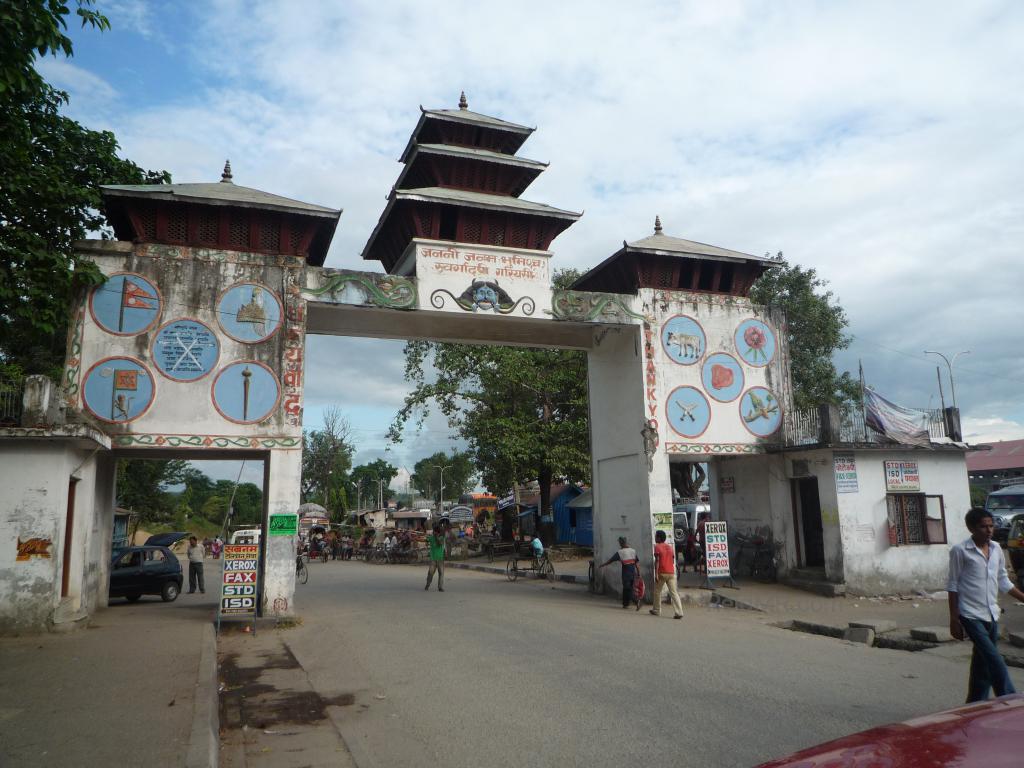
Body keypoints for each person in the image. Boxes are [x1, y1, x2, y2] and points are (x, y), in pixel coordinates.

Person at [948, 507, 1024, 702]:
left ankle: (974, 702)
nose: (989, 530)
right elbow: (953, 585)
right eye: (983, 526)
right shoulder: (960, 551)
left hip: (991, 613)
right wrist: (954, 618)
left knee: (982, 663)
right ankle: (1010, 700)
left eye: (991, 526)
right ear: (971, 528)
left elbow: (1004, 581)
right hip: (969, 614)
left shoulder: (997, 548)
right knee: (994, 658)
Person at [599, 536, 641, 609]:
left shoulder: (620, 552)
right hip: (633, 573)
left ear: (621, 543)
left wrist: (603, 565)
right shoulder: (633, 551)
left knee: (626, 589)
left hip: (626, 574)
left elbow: (611, 560)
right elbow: (636, 563)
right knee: (629, 588)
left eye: (619, 542)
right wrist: (638, 573)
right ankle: (626, 604)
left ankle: (636, 601)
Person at [650, 530, 684, 619]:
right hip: (671, 572)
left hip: (662, 572)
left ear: (659, 538)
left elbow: (657, 561)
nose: (655, 537)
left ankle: (657, 610)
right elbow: (672, 560)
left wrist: (656, 573)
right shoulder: (669, 547)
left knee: (657, 592)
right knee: (674, 593)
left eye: (656, 536)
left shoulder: (657, 547)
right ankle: (679, 612)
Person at [425, 524, 446, 592]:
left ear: (438, 532)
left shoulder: (442, 538)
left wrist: (436, 537)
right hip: (433, 559)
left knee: (441, 573)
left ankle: (440, 587)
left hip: (440, 559)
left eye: (435, 531)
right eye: (433, 531)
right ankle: (427, 584)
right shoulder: (431, 537)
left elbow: (439, 543)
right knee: (430, 573)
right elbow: (426, 540)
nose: (433, 532)